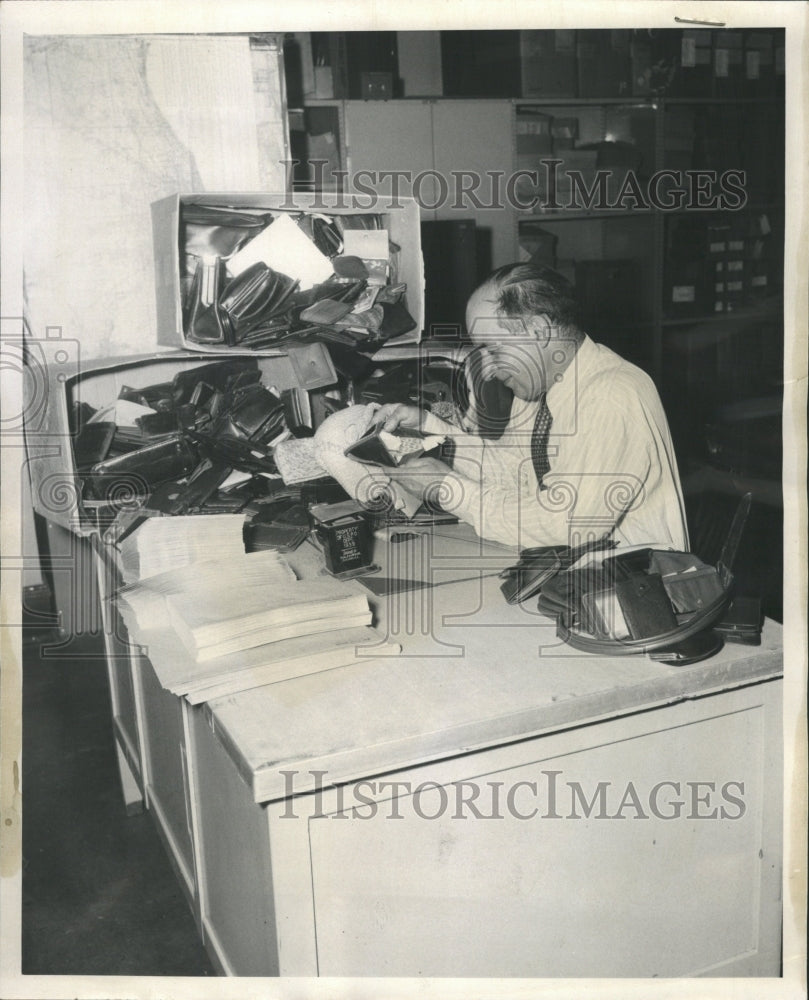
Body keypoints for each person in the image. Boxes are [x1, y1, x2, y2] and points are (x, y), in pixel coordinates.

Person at [376, 262, 689, 552]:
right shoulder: (537, 391)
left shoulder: (612, 394)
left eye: (495, 350)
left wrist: (449, 488)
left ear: (540, 331)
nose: (489, 369)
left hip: (631, 592)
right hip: (576, 572)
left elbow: (569, 525)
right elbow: (515, 474)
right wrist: (429, 428)